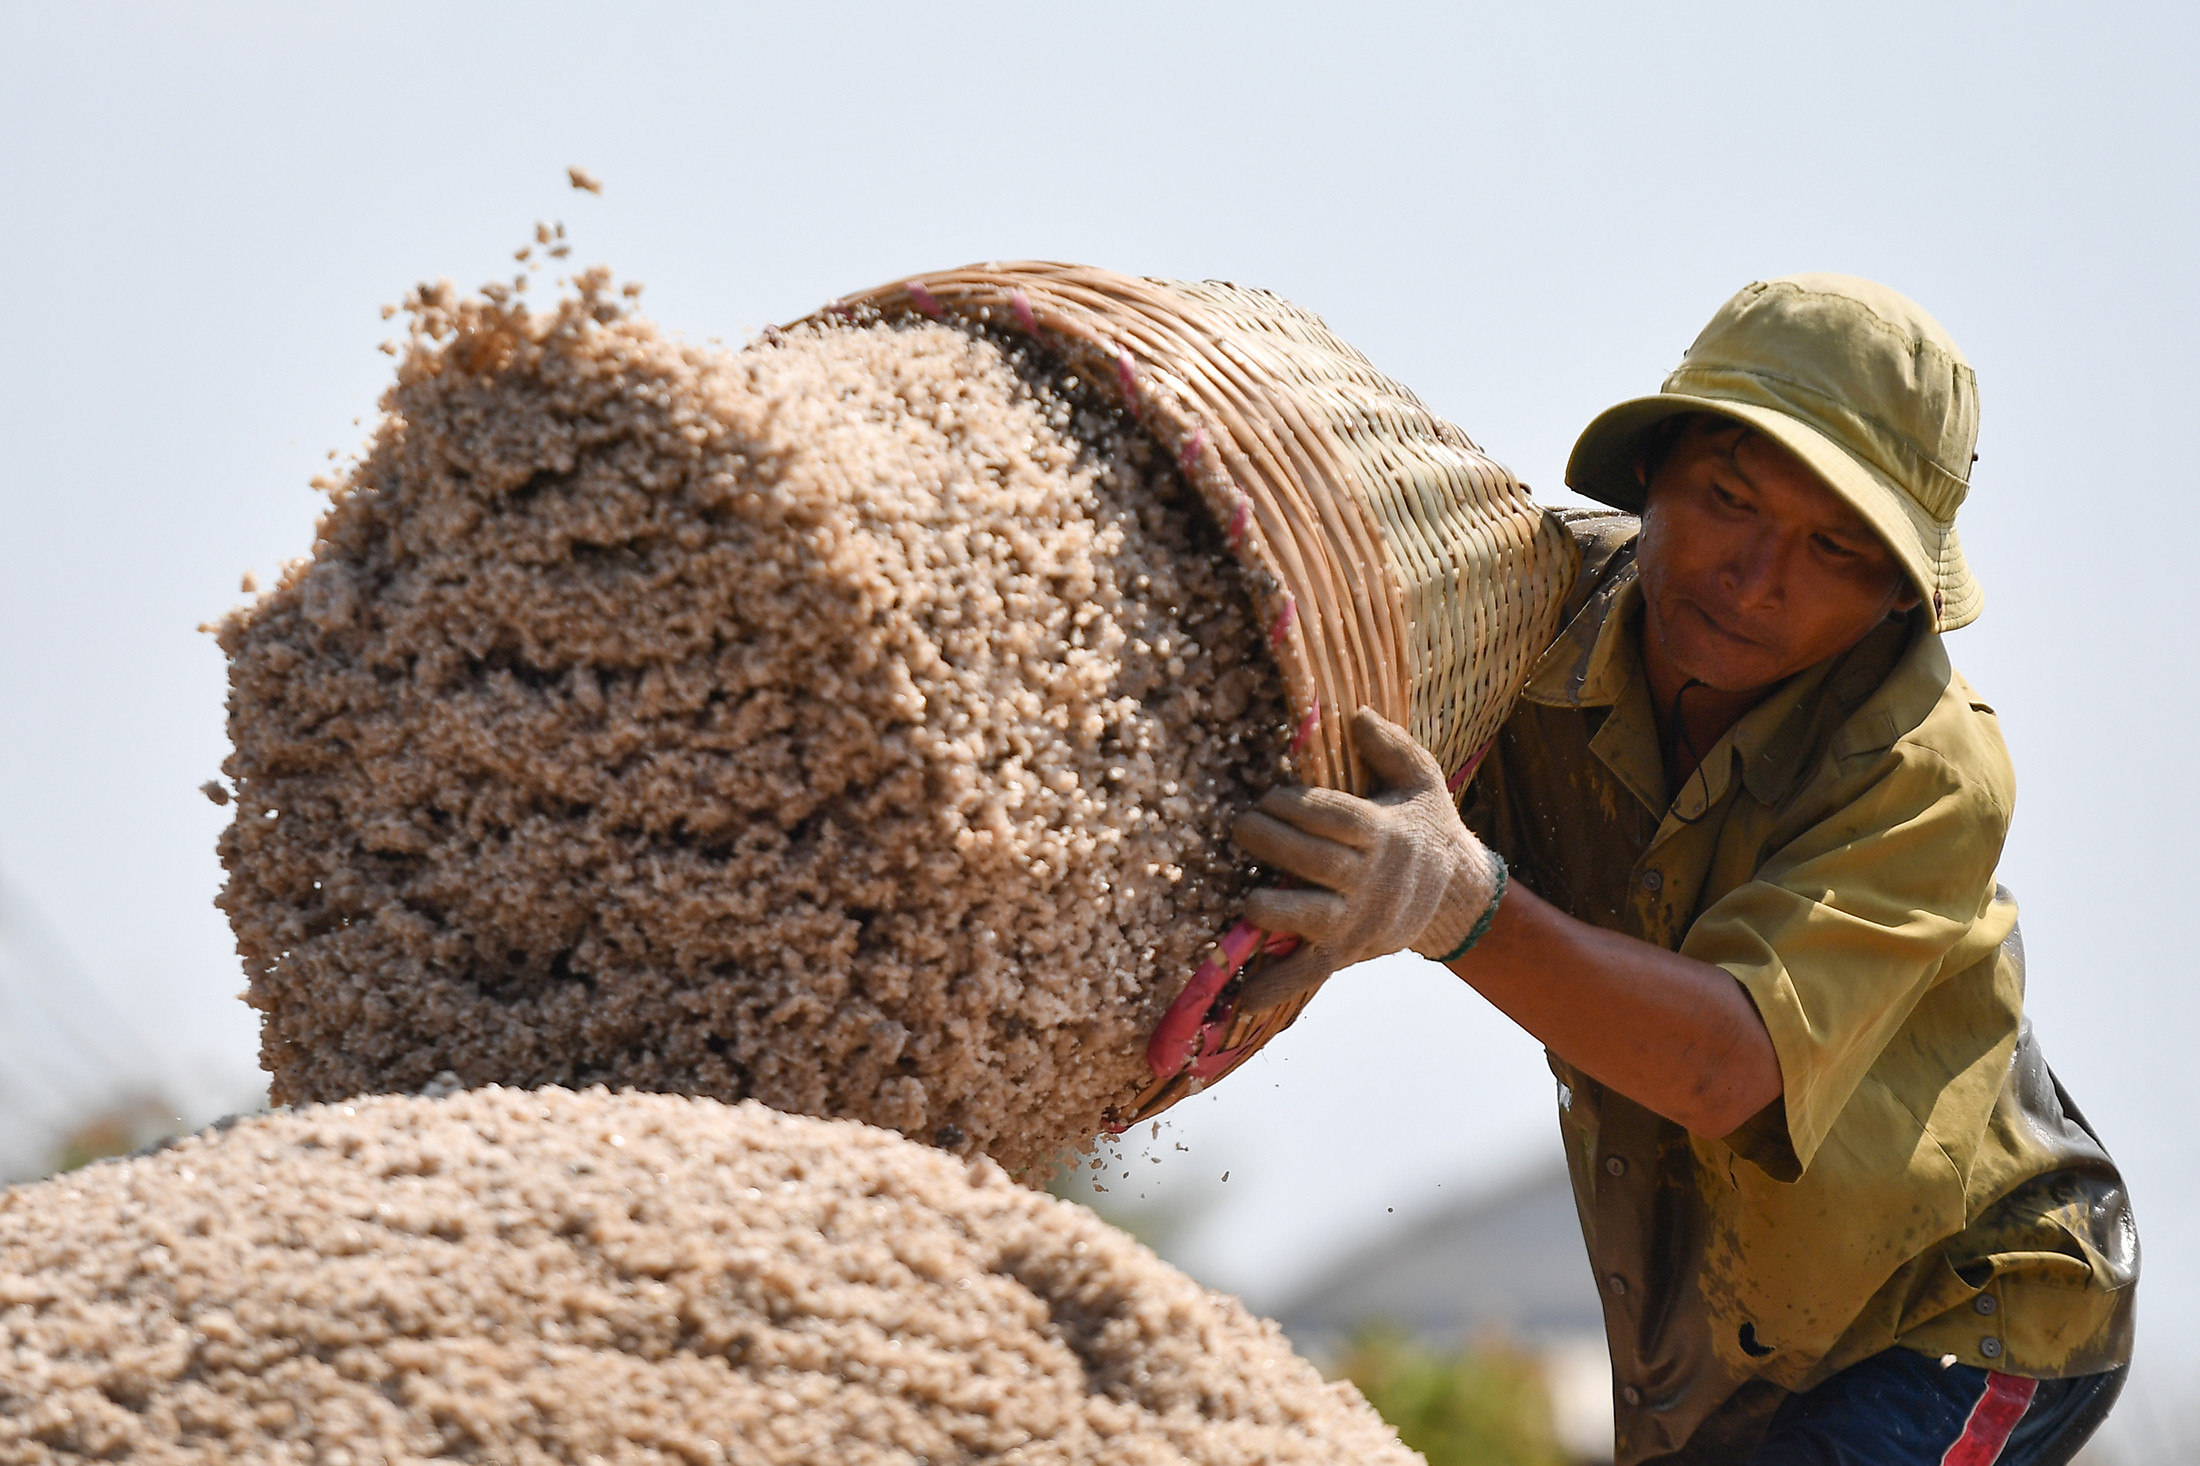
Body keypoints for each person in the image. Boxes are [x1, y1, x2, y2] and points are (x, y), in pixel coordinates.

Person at [1230, 275, 2136, 1465]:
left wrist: (1456, 904)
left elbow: (1724, 1062)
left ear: (1888, 596)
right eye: (1726, 500)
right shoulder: (1526, 609)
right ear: (1652, 474)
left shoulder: (1923, 763)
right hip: (1717, 1333)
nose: (1754, 576)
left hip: (1959, 1307)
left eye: (1832, 548)